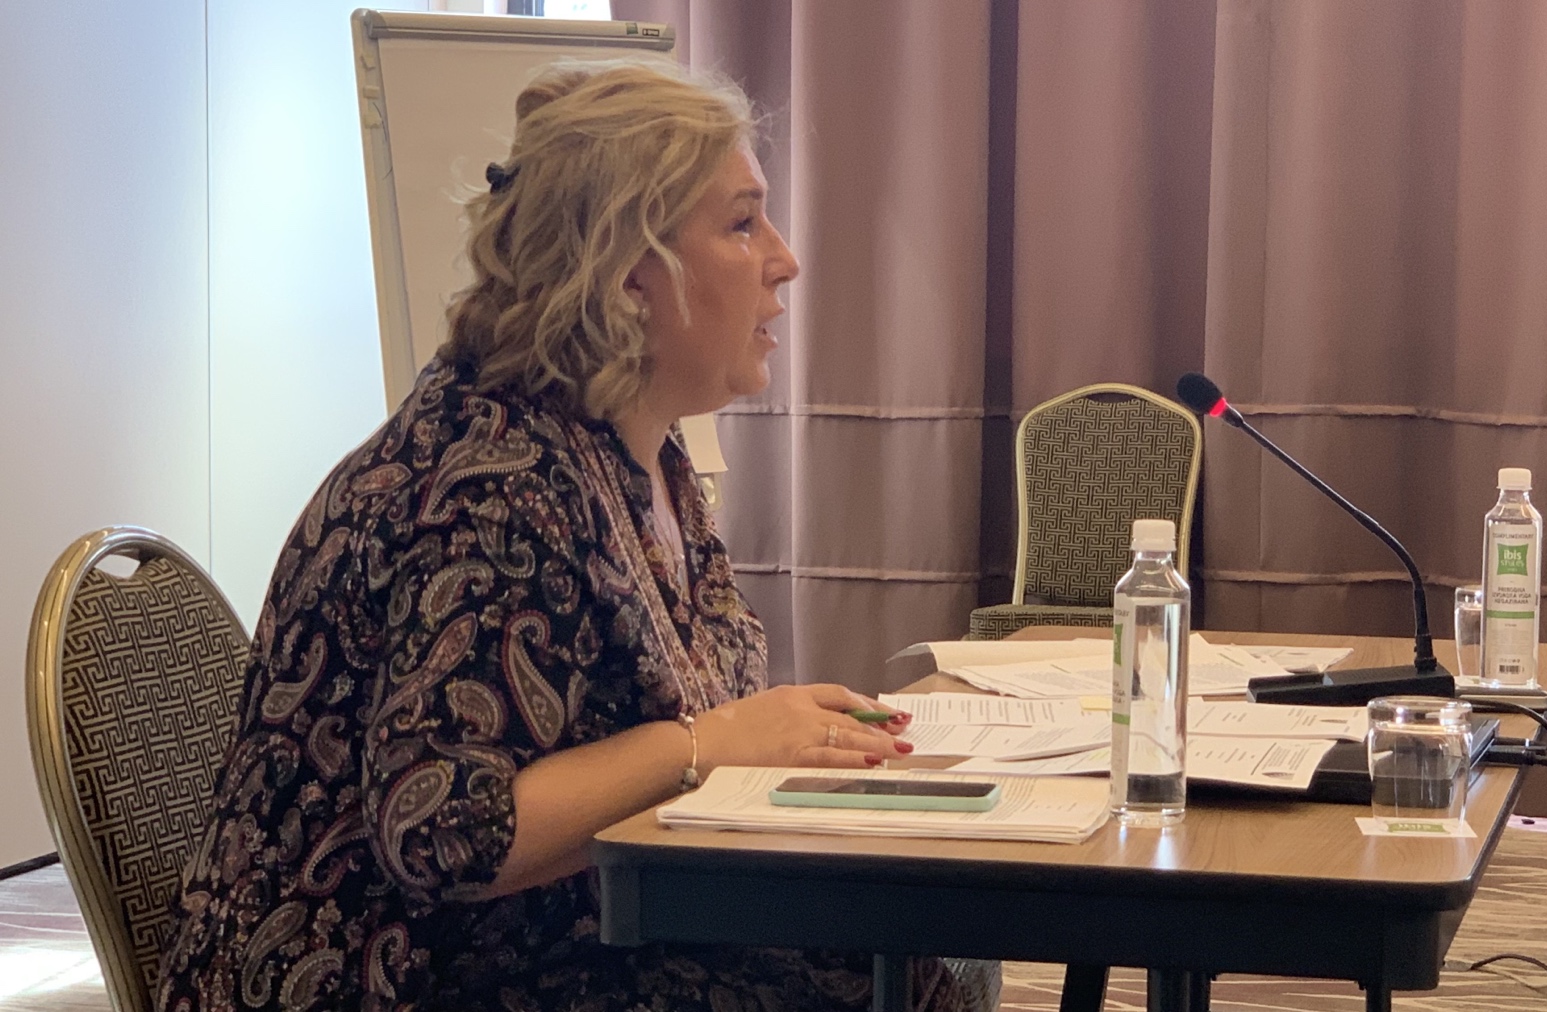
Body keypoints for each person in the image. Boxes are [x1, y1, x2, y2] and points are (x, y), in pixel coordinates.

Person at [155, 59, 996, 1012]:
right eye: (742, 223)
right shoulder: (485, 484)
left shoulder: (636, 447)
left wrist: (785, 740)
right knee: (878, 979)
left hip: (557, 945)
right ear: (630, 273)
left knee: (894, 956)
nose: (784, 258)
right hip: (390, 979)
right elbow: (445, 834)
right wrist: (718, 742)